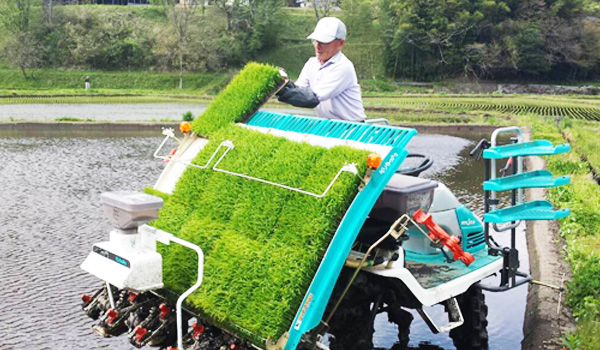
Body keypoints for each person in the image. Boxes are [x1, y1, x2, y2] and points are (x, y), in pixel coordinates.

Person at [277, 17, 367, 122]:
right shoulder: (312, 63)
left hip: (352, 128)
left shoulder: (343, 66)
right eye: (316, 40)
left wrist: (281, 91)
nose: (318, 46)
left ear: (341, 43)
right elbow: (299, 90)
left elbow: (311, 98)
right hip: (328, 125)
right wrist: (281, 83)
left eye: (324, 42)